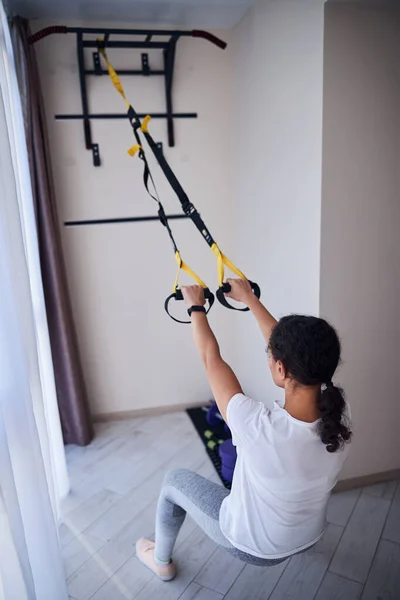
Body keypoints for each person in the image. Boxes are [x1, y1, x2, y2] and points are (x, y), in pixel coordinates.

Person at [136, 279, 352, 580]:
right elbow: (290, 354)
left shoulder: (254, 425)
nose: (269, 356)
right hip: (308, 536)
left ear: (280, 369)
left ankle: (161, 561)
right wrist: (249, 298)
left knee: (174, 481)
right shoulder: (340, 413)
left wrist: (195, 306)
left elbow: (211, 359)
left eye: (271, 356)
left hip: (252, 547)